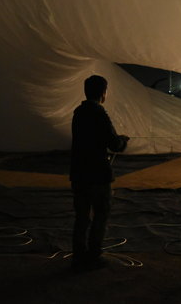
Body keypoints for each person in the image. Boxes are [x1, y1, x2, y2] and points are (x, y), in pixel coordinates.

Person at [70, 75, 129, 271]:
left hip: (79, 173)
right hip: (97, 174)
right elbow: (113, 144)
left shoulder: (78, 112)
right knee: (100, 214)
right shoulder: (99, 113)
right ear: (103, 93)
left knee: (82, 217)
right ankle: (94, 255)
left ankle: (78, 255)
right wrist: (122, 141)